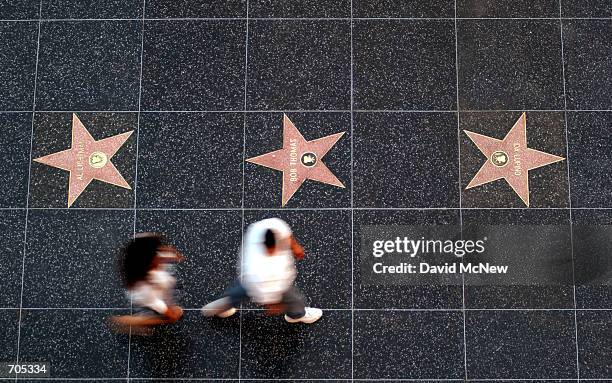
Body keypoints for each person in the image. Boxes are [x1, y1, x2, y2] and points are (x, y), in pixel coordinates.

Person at [202, 218, 322, 324]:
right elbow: (265, 294)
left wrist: (294, 246)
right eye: (272, 249)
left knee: (240, 291)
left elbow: (283, 231)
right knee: (294, 299)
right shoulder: (259, 267)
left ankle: (221, 306)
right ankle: (297, 315)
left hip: (249, 281)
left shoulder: (263, 228)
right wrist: (273, 304)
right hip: (271, 286)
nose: (273, 251)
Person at [110, 233, 184, 331]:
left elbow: (157, 249)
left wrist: (168, 253)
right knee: (166, 315)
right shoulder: (144, 289)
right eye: (155, 258)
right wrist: (171, 314)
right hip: (148, 297)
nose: (159, 257)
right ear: (147, 265)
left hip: (153, 285)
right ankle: (132, 322)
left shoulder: (141, 247)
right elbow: (158, 304)